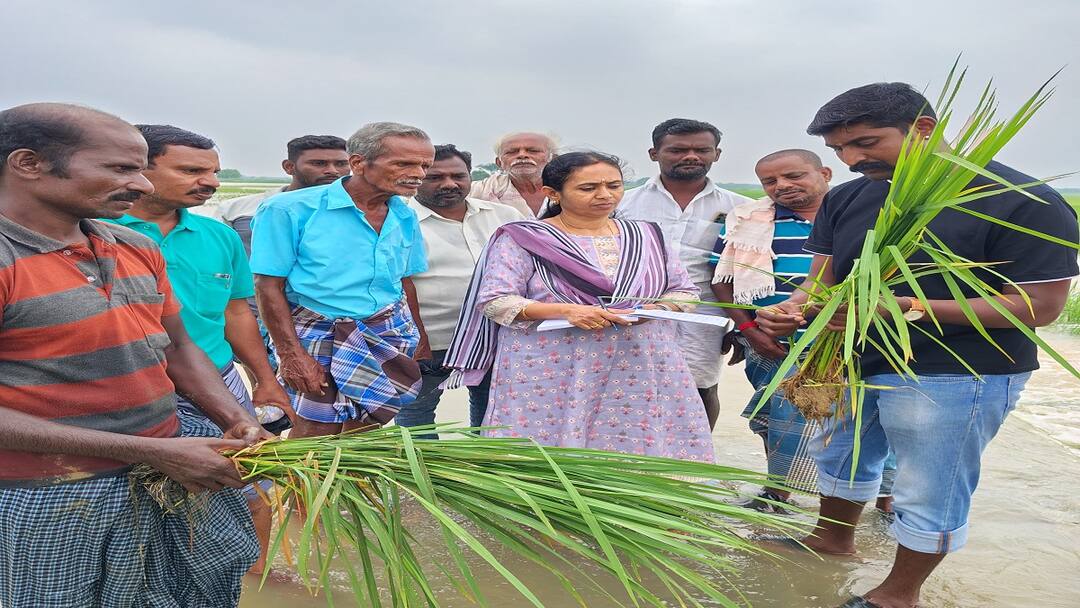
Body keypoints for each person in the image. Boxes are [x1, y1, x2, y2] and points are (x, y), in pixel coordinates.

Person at [755, 83, 1079, 608]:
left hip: (957, 370)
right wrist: (793, 309)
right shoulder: (850, 196)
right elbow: (822, 279)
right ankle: (832, 539)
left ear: (923, 129)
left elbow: (1038, 306)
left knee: (929, 485)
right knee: (840, 454)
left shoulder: (1020, 199)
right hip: (853, 358)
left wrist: (902, 307)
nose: (853, 159)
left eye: (866, 142)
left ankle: (897, 595)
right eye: (840, 150)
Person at [0, 103, 266, 607]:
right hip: (50, 491)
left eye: (141, 169)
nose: (142, 186)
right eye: (121, 169)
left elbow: (179, 347)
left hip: (164, 465)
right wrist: (151, 451)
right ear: (28, 163)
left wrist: (235, 417)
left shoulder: (131, 246)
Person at [104, 124, 292, 576]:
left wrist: (265, 381)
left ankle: (253, 577)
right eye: (191, 170)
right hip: (125, 388)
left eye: (213, 172)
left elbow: (237, 315)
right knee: (136, 496)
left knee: (249, 485)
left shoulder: (219, 235)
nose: (209, 182)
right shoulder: (95, 232)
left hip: (217, 382)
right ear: (139, 170)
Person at [443, 151, 714, 461]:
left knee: (636, 432)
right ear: (552, 193)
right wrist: (570, 311)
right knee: (552, 438)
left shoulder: (648, 236)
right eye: (588, 188)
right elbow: (496, 300)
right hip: (553, 362)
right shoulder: (524, 239)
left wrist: (652, 312)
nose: (605, 195)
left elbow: (684, 291)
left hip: (640, 357)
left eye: (614, 185)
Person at [251, 122, 433, 438]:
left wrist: (418, 337)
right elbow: (268, 286)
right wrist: (292, 355)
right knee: (315, 432)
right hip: (319, 335)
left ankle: (355, 488)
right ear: (359, 163)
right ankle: (305, 490)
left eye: (424, 164)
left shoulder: (404, 215)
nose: (418, 173)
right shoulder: (289, 209)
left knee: (367, 427)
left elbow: (404, 282)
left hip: (387, 331)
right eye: (403, 163)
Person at [616, 118, 753, 429]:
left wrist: (743, 325)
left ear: (716, 154)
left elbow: (747, 271)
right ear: (654, 153)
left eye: (701, 150)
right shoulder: (623, 203)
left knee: (701, 384)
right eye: (678, 150)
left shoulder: (742, 208)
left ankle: (697, 460)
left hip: (703, 310)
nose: (691, 156)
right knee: (627, 384)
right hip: (635, 307)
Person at [397, 144, 524, 434]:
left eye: (458, 176)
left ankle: (482, 470)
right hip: (429, 341)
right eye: (435, 177)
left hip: (496, 336)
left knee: (492, 411)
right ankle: (422, 473)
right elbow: (396, 286)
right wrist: (418, 341)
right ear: (417, 179)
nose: (449, 184)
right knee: (415, 416)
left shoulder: (505, 216)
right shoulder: (399, 222)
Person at [215, 135, 349, 255]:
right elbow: (217, 255)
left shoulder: (360, 211)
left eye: (341, 164)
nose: (332, 171)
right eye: (319, 163)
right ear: (289, 167)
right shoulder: (236, 209)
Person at [469, 131, 555, 217]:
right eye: (511, 152)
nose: (522, 155)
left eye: (533, 151)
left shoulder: (565, 189)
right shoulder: (478, 191)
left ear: (552, 158)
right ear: (499, 163)